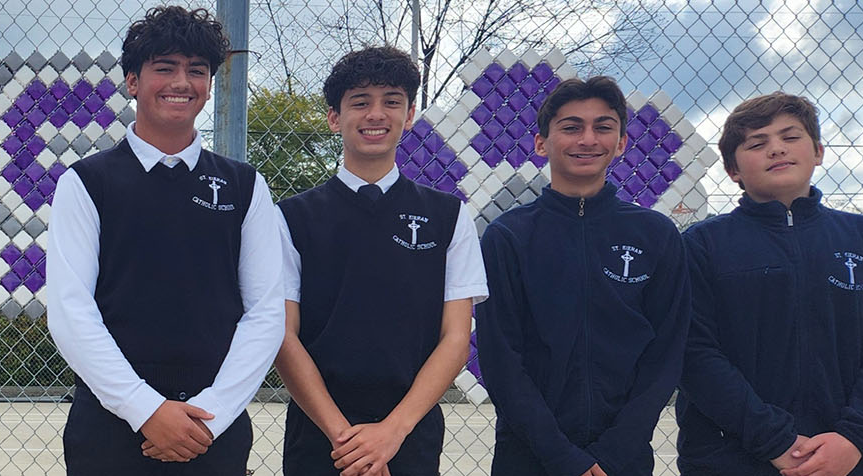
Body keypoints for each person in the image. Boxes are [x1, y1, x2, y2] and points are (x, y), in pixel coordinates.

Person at [43, 5, 286, 474]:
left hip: (212, 425)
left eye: (197, 71)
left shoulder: (244, 186)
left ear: (210, 84)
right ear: (133, 81)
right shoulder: (86, 182)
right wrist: (145, 409)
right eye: (165, 68)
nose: (182, 82)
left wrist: (210, 417)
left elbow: (265, 313)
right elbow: (72, 312)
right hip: (111, 426)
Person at [273, 45, 485, 476]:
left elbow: (455, 339)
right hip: (319, 436)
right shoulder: (291, 218)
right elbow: (283, 337)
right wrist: (345, 439)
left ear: (408, 116)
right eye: (360, 102)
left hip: (409, 432)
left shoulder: (448, 216)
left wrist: (391, 432)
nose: (376, 114)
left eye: (392, 102)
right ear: (335, 118)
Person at [475, 76, 689, 476]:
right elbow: (501, 360)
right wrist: (562, 457)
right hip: (530, 457)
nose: (587, 139)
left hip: (622, 459)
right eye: (571, 127)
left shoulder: (656, 235)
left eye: (603, 127)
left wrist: (613, 452)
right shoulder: (508, 237)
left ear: (622, 143)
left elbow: (665, 355)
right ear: (542, 143)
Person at [677, 92, 863, 476]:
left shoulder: (858, 236)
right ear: (733, 171)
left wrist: (854, 437)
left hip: (848, 458)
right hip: (730, 459)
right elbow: (693, 354)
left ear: (818, 152)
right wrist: (775, 441)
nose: (776, 149)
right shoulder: (701, 245)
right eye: (757, 143)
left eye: (790, 137)